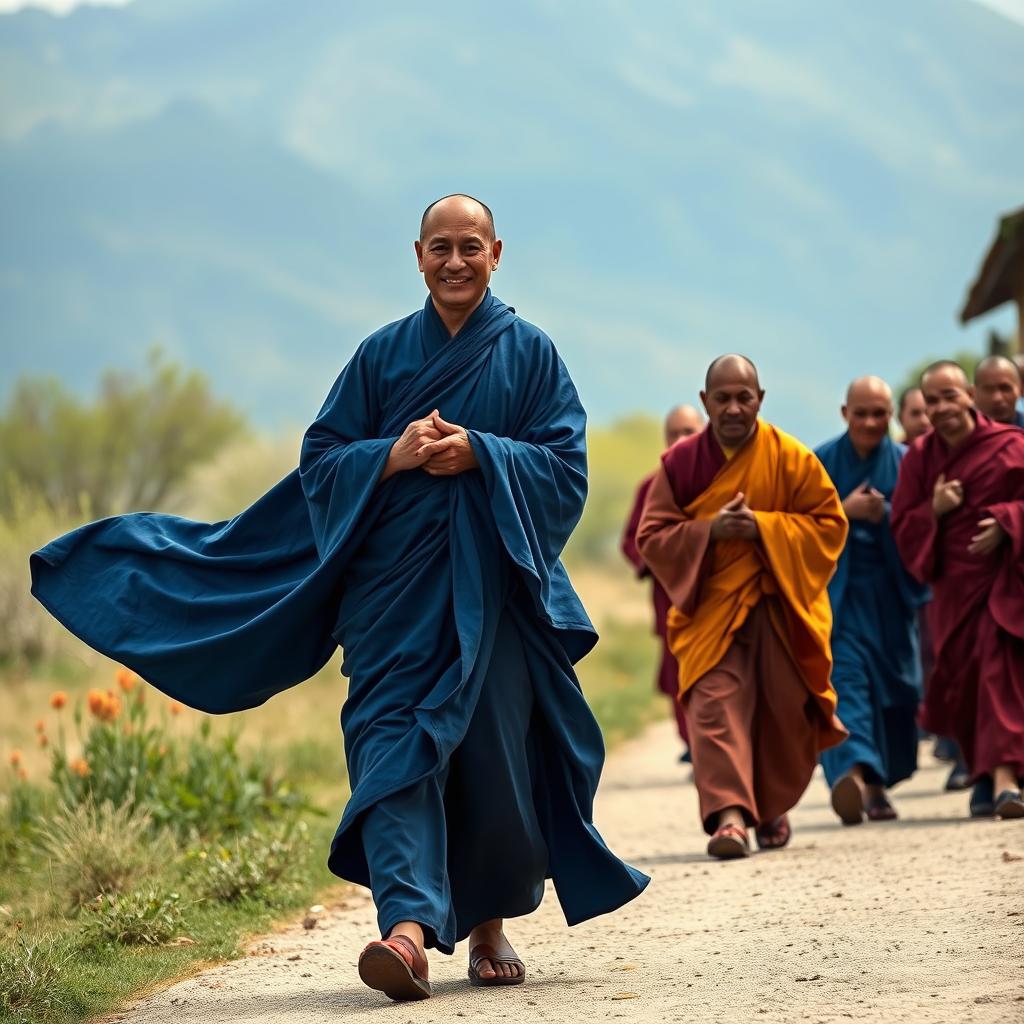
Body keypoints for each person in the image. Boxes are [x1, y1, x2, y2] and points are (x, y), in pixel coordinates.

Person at [30, 194, 648, 1000]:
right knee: (391, 749)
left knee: (491, 763)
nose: (455, 262)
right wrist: (389, 456)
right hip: (390, 602)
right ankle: (406, 932)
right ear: (416, 256)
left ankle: (488, 920)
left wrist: (485, 456)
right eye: (439, 248)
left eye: (470, 247)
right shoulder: (381, 356)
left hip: (491, 601)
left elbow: (567, 471)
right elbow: (320, 464)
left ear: (498, 253)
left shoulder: (531, 355)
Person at [636, 355, 848, 859]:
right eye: (723, 398)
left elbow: (829, 525)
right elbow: (652, 535)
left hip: (778, 612)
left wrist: (766, 528)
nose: (733, 407)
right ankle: (730, 818)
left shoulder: (790, 458)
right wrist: (710, 530)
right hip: (710, 613)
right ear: (705, 401)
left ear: (760, 400)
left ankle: (770, 807)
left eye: (744, 397)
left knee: (779, 714)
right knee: (714, 710)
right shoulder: (682, 464)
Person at [891, 361, 1024, 820]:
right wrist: (934, 509)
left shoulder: (1011, 445)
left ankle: (1006, 777)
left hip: (1004, 586)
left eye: (950, 396)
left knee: (996, 673)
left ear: (969, 394)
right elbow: (903, 526)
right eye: (932, 401)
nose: (942, 408)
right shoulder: (919, 460)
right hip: (953, 592)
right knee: (966, 684)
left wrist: (1008, 522)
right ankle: (984, 778)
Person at [815, 377, 928, 824]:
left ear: (892, 414)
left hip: (892, 598)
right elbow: (799, 527)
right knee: (848, 685)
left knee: (894, 697)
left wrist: (888, 516)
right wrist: (842, 511)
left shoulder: (906, 463)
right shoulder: (820, 461)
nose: (868, 422)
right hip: (840, 599)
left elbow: (922, 527)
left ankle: (877, 785)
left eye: (878, 413)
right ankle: (856, 775)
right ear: (845, 413)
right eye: (860, 413)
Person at [621, 404, 705, 762]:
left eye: (689, 431)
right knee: (677, 677)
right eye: (674, 433)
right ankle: (694, 744)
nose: (681, 440)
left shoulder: (720, 481)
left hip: (712, 597)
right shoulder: (650, 487)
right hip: (669, 600)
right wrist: (652, 558)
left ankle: (712, 744)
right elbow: (631, 540)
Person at [973, 355, 1024, 427]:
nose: (997, 398)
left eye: (1005, 388)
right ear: (973, 394)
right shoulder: (961, 434)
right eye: (988, 389)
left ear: (1020, 390)